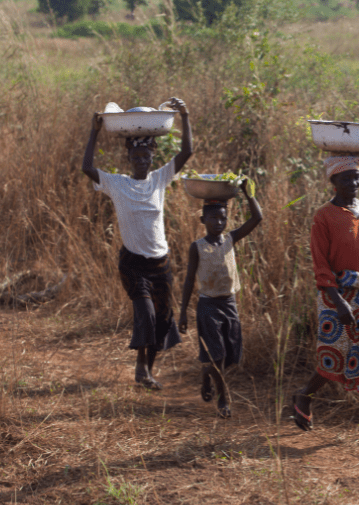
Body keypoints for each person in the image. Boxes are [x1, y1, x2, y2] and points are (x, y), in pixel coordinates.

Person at [82, 97, 193, 390]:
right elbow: (87, 167)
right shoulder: (117, 184)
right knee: (145, 312)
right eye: (137, 157)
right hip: (133, 263)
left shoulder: (159, 179)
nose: (142, 161)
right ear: (129, 159)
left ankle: (146, 370)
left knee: (162, 318)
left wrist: (185, 115)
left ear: (152, 159)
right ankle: (142, 369)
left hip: (161, 262)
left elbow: (187, 151)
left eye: (146, 157)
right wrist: (94, 131)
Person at [292, 155, 359, 447]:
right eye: (346, 178)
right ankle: (305, 394)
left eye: (356, 177)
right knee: (334, 353)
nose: (354, 183)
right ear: (333, 182)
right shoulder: (323, 216)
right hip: (335, 294)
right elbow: (320, 263)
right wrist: (338, 301)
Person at [177, 182, 262, 419]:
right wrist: (183, 312)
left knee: (232, 357)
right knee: (218, 355)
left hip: (229, 304)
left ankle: (207, 374)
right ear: (203, 220)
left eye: (223, 218)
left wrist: (248, 192)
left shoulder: (230, 239)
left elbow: (258, 217)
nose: (219, 223)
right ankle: (224, 397)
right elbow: (188, 280)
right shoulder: (198, 247)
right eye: (213, 218)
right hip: (208, 306)